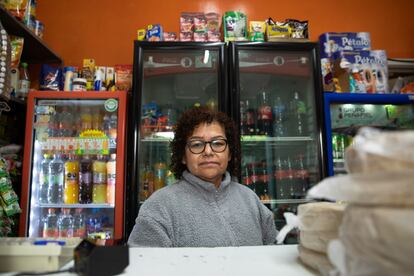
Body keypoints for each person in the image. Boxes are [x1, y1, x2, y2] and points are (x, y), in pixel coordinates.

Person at [128, 106, 278, 247]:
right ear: (183, 156)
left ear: (230, 153)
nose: (208, 151)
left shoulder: (250, 199)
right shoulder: (159, 207)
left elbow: (275, 252)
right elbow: (142, 264)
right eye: (197, 144)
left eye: (218, 143)